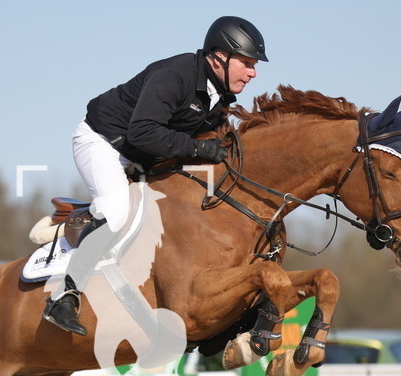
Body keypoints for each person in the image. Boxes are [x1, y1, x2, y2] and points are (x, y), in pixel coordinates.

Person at [42, 16, 268, 336]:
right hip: (103, 141)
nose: (253, 72)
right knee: (117, 211)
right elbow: (143, 132)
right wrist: (200, 150)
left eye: (254, 65)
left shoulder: (219, 96)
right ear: (219, 58)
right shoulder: (173, 76)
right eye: (246, 63)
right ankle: (64, 295)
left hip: (141, 154)